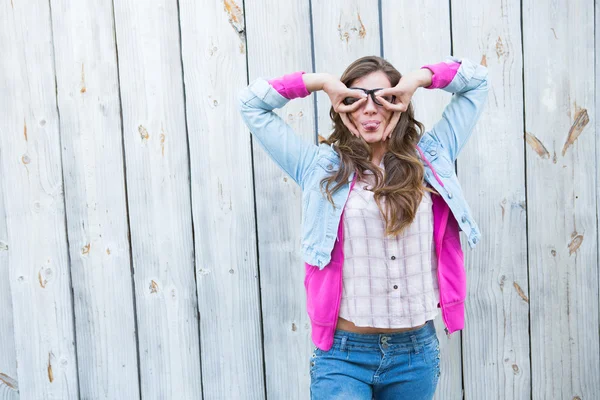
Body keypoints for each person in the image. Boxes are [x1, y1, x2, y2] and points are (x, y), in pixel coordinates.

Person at [238, 55, 489, 399]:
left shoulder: (433, 156)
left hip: (415, 354)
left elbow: (477, 83)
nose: (370, 108)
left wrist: (419, 78)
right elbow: (251, 104)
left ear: (400, 104)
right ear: (342, 107)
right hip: (343, 356)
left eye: (383, 97)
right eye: (356, 98)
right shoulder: (318, 167)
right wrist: (321, 81)